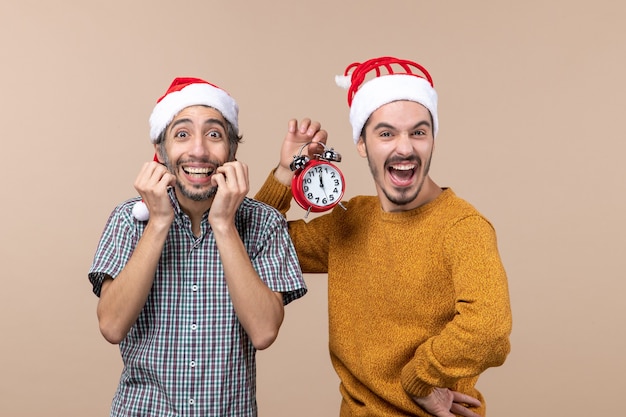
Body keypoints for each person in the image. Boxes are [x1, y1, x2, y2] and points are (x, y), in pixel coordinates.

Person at [255, 56, 512, 417]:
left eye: (418, 132)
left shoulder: (462, 227)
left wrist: (419, 380)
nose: (404, 148)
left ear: (432, 139)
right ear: (362, 143)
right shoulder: (349, 220)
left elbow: (490, 330)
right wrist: (286, 172)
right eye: (386, 133)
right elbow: (254, 244)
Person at [88, 77, 307, 417]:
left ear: (232, 151)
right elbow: (112, 326)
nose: (199, 151)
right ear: (161, 151)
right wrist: (159, 222)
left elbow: (264, 331)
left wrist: (223, 224)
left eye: (214, 134)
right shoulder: (128, 220)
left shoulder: (265, 223)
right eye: (182, 134)